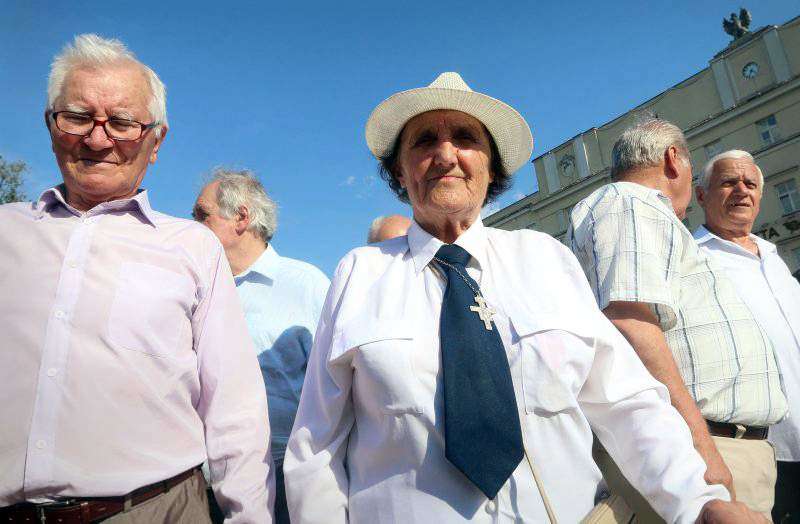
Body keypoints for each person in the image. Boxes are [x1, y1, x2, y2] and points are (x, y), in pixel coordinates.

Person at [284, 72, 758, 523]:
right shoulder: (360, 273)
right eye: (424, 141)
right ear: (400, 171)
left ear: (491, 168)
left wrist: (699, 503)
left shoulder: (545, 259)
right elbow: (316, 445)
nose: (446, 155)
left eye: (466, 139)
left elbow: (627, 402)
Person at [0, 35, 273, 523]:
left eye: (122, 123)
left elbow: (234, 407)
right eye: (77, 117)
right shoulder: (6, 231)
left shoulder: (192, 247)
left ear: (156, 141)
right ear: (50, 125)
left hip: (156, 509)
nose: (97, 139)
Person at [568, 119, 787, 519]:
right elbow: (630, 323)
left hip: (725, 446)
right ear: (673, 160)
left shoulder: (638, 209)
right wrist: (703, 448)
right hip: (704, 448)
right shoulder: (631, 202)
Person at [194, 169, 330, 523]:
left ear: (241, 217)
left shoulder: (306, 285)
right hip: (200, 477)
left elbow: (337, 386)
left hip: (283, 475)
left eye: (202, 215)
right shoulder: (194, 287)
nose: (192, 225)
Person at [693, 150, 800, 523]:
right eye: (728, 182)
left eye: (750, 183)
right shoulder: (693, 259)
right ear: (701, 195)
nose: (742, 190)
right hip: (758, 451)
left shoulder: (773, 257)